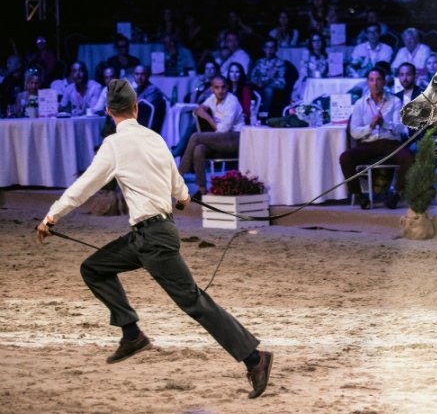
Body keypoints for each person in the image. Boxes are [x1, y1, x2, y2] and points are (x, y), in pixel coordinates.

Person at [35, 79, 272, 398]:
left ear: (108, 112)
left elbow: (84, 188)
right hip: (148, 235)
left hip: (154, 240)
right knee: (94, 267)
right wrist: (183, 199)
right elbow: (179, 189)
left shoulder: (113, 145)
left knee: (195, 303)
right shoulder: (157, 139)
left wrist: (52, 216)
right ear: (136, 108)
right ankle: (131, 333)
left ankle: (255, 359)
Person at [339, 68, 415, 210]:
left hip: (390, 143)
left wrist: (384, 123)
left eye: (379, 79)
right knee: (345, 158)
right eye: (371, 80)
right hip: (369, 143)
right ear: (368, 83)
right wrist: (370, 126)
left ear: (384, 82)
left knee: (409, 158)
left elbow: (400, 128)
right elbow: (354, 132)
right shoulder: (360, 104)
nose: (375, 83)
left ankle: (396, 194)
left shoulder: (395, 101)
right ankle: (360, 196)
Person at [178, 75, 244, 196]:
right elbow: (200, 108)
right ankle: (202, 190)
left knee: (196, 137)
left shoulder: (232, 101)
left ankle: (179, 174)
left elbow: (223, 129)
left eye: (223, 87)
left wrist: (208, 117)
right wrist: (201, 109)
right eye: (217, 88)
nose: (220, 91)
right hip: (221, 139)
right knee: (199, 149)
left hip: (236, 138)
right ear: (212, 89)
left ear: (227, 88)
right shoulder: (212, 98)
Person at [249, 39, 287, 114]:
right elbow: (252, 77)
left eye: (272, 47)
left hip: (274, 91)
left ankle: (264, 114)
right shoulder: (259, 62)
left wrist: (267, 80)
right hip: (258, 88)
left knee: (268, 90)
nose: (269, 50)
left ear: (275, 49)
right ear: (263, 49)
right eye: (267, 47)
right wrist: (259, 82)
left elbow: (282, 84)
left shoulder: (280, 63)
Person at [132, 65, 167, 132]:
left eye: (143, 74)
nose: (139, 77)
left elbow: (142, 108)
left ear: (148, 76)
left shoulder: (153, 90)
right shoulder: (136, 89)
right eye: (137, 74)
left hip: (148, 128)